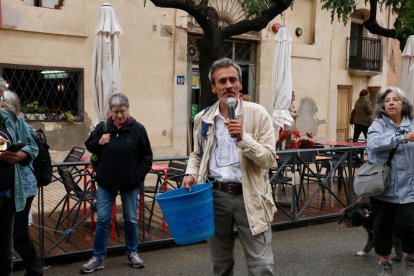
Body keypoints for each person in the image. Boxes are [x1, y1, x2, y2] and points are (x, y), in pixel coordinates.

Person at [183, 58, 277, 275]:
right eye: (222, 81)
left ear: (240, 84)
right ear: (213, 87)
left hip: (251, 196)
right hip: (215, 197)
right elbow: (197, 154)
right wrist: (191, 174)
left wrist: (243, 137)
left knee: (261, 265)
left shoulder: (258, 114)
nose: (228, 85)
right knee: (221, 263)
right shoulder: (202, 118)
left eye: (232, 80)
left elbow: (269, 159)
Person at [81, 93, 153, 273]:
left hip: (130, 183)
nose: (119, 116)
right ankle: (98, 258)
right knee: (103, 220)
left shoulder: (138, 129)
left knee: (131, 220)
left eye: (122, 111)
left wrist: (138, 176)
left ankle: (132, 253)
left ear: (128, 109)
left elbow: (146, 157)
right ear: (110, 112)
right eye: (115, 112)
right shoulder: (103, 127)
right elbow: (89, 145)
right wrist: (99, 142)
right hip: (106, 183)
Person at [366, 87, 414, 276]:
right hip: (383, 187)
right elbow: (374, 144)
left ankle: (411, 259)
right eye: (387, 100)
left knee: (408, 225)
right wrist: (401, 138)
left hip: (409, 187)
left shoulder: (412, 124)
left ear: (403, 104)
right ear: (383, 105)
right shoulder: (378, 125)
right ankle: (384, 263)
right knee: (381, 227)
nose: (391, 103)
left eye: (395, 99)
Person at [1, 90, 43, 276]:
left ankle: (34, 270)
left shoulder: (17, 122)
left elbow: (34, 147)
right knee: (16, 234)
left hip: (23, 187)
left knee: (18, 234)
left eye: (4, 102)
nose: (2, 105)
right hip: (17, 188)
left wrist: (19, 154)